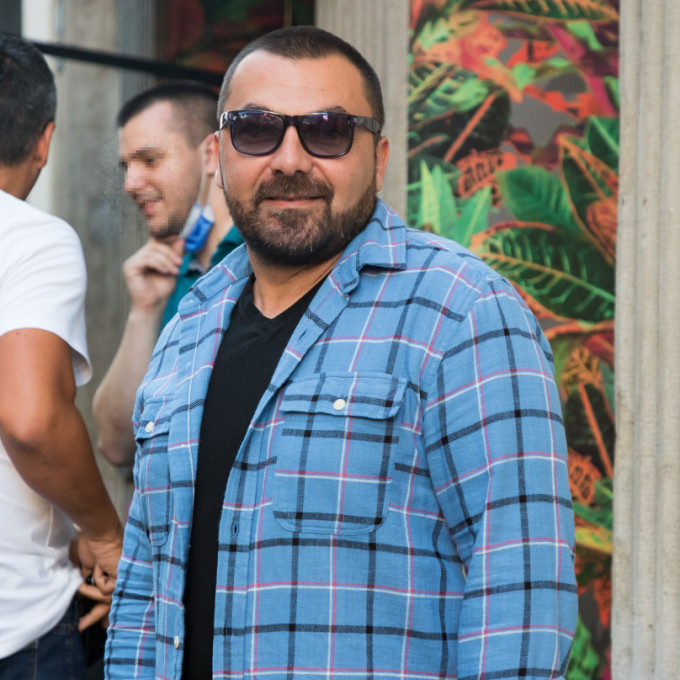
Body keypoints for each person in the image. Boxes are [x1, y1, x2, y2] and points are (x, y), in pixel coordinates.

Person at [105, 26, 577, 680]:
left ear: (378, 159)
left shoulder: (462, 311)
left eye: (327, 131)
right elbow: (145, 585)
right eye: (256, 129)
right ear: (219, 154)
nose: (289, 159)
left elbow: (521, 591)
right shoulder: (190, 322)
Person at [0, 33, 123, 678]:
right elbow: (32, 420)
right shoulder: (30, 239)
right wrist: (103, 532)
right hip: (16, 626)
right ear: (44, 140)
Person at [92, 82, 242, 467]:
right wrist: (144, 310)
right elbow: (116, 445)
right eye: (126, 166)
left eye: (150, 160)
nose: (130, 184)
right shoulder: (168, 274)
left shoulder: (261, 258)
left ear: (212, 153)